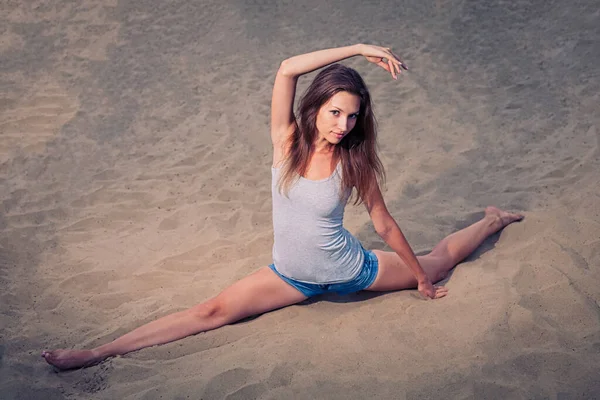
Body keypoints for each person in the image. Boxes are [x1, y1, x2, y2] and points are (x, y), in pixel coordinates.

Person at [42, 44, 523, 370]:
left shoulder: (354, 162)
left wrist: (419, 276)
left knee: (439, 263)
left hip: (351, 271)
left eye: (352, 115)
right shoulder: (285, 140)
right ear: (315, 107)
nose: (343, 124)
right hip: (289, 276)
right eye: (336, 111)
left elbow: (384, 223)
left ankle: (492, 219)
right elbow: (288, 68)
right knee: (210, 310)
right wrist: (357, 47)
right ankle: (95, 353)